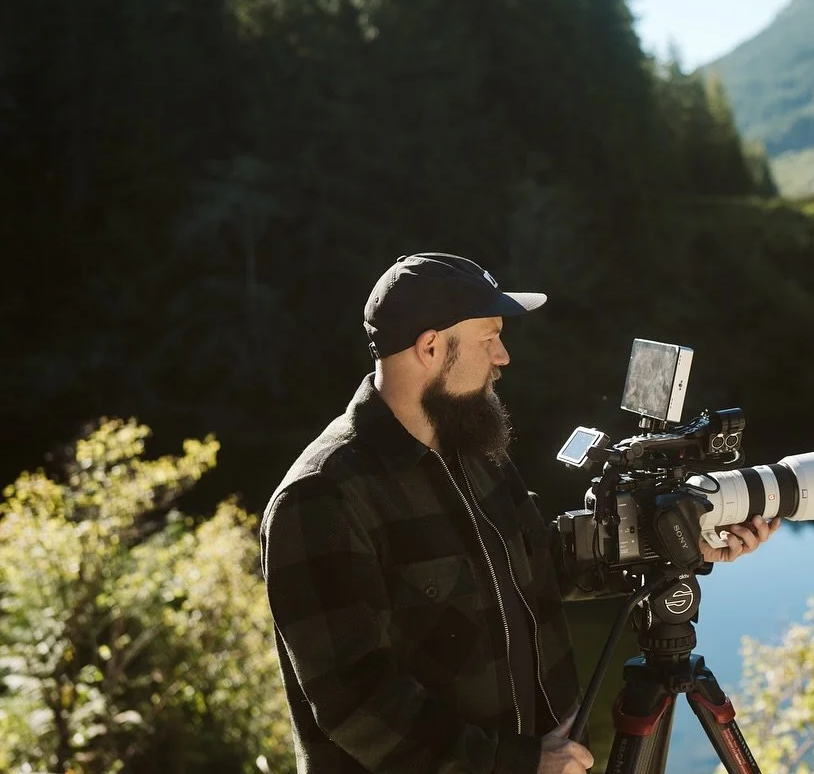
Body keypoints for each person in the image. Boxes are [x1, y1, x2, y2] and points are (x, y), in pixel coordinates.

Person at [260, 253, 779, 774]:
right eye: (489, 339)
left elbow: (539, 566)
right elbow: (356, 705)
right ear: (430, 347)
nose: (503, 356)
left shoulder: (473, 450)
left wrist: (676, 541)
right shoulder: (320, 498)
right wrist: (518, 764)